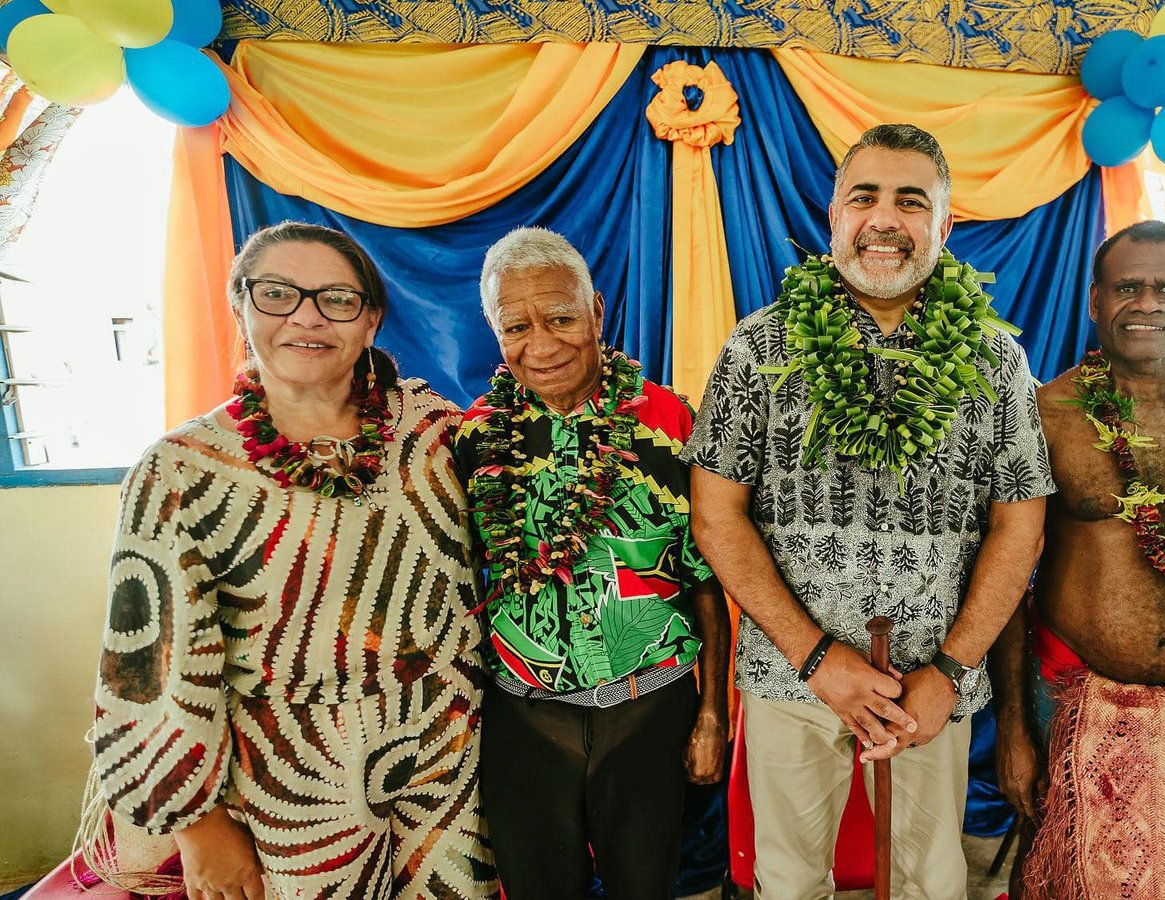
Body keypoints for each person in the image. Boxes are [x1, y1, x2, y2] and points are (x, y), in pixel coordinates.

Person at [686, 123, 1051, 899]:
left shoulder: (996, 362)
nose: (884, 219)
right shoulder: (758, 348)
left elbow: (1020, 526)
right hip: (791, 677)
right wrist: (818, 658)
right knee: (788, 883)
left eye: (911, 202)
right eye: (865, 197)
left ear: (944, 227)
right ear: (834, 216)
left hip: (931, 685)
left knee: (931, 882)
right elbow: (715, 516)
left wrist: (950, 672)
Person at [92, 222, 497, 899]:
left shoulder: (431, 430)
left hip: (451, 749)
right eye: (278, 293)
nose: (307, 317)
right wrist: (197, 825)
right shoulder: (183, 469)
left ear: (371, 321)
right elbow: (147, 668)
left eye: (337, 299)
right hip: (292, 769)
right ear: (241, 306)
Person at [992, 220, 1165, 899]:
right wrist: (1014, 730)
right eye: (1128, 287)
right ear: (1095, 301)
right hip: (1067, 693)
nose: (1148, 303)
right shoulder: (1043, 415)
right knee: (1063, 873)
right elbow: (1006, 580)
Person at [453, 227, 729, 899]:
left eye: (561, 318)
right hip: (525, 715)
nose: (542, 346)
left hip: (650, 707)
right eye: (516, 327)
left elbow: (708, 581)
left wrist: (712, 714)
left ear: (597, 311)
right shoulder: (474, 437)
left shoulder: (671, 421)